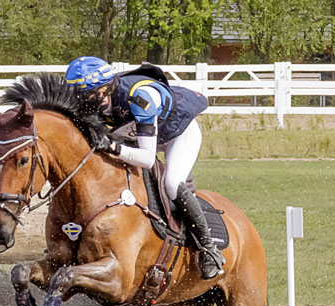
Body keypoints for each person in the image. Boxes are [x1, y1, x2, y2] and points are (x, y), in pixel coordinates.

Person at [65, 56, 224, 278]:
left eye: (84, 95)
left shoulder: (141, 98)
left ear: (102, 91)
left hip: (177, 134)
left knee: (172, 183)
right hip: (137, 136)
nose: (80, 101)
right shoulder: (98, 99)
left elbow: (148, 159)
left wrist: (113, 147)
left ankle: (209, 248)